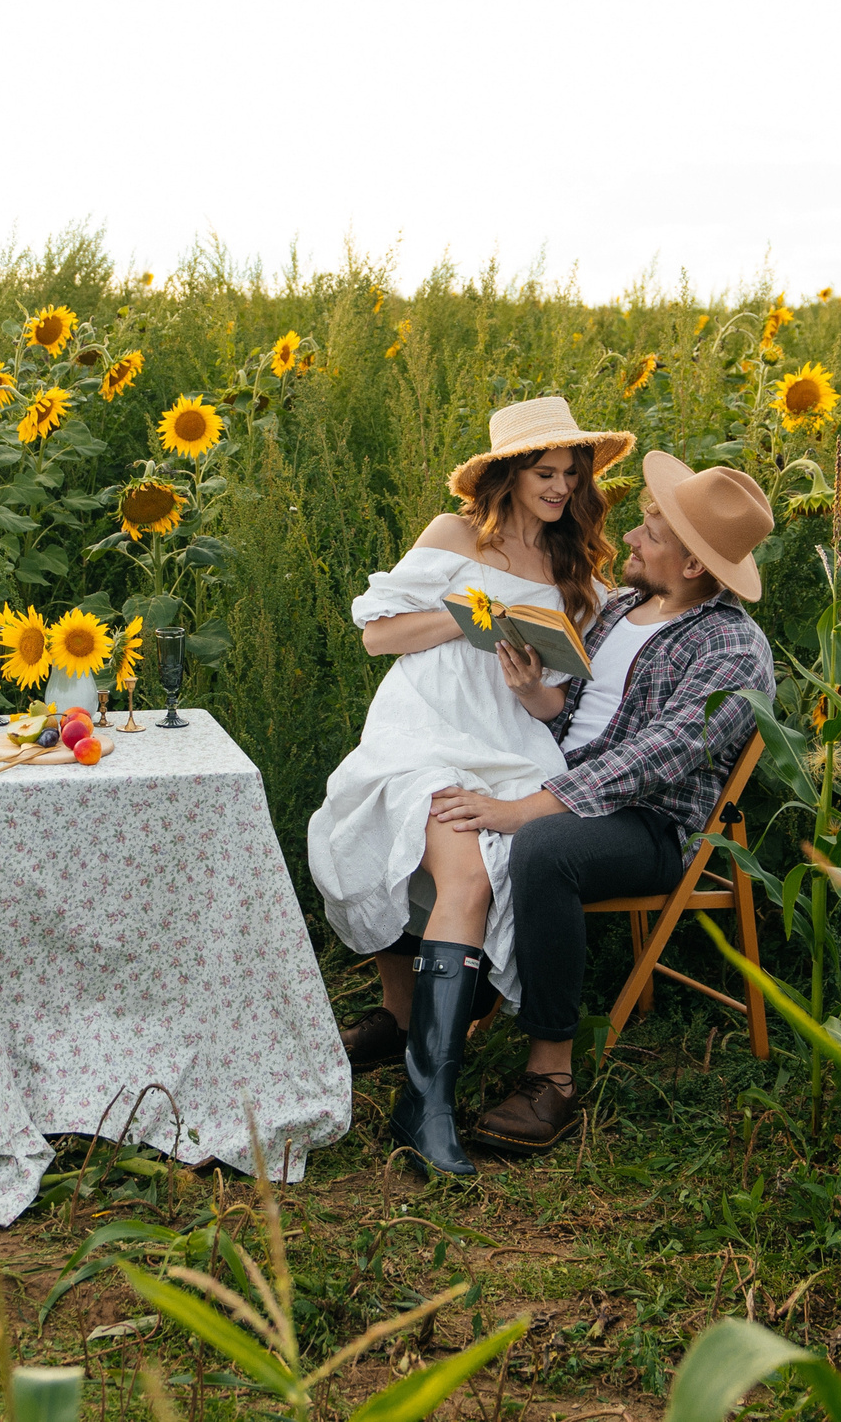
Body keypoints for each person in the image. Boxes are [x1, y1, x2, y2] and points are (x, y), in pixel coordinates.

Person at [307, 396, 633, 1176]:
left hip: (510, 740)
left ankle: (426, 1096)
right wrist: (466, 618)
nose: (560, 488)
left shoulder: (571, 564)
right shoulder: (455, 535)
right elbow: (378, 633)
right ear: (508, 475)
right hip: (424, 727)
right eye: (544, 472)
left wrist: (530, 687)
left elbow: (558, 702)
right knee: (462, 874)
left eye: (570, 473)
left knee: (487, 870)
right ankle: (428, 1103)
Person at [425, 451, 776, 1153]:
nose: (633, 540)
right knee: (431, 790)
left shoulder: (734, 649)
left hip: (648, 824)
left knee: (542, 847)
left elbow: (661, 756)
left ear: (693, 567)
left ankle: (551, 1075)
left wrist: (529, 806)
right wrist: (533, 694)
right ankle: (430, 1014)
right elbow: (576, 714)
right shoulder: (620, 607)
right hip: (562, 777)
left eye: (651, 531)